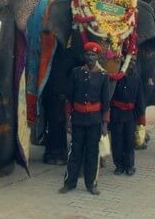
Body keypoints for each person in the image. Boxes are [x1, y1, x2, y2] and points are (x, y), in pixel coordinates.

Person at [59, 41, 110, 196]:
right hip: (78, 119)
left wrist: (104, 124)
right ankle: (69, 183)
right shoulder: (76, 73)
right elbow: (69, 98)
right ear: (84, 55)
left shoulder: (103, 76)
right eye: (88, 54)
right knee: (75, 151)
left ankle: (91, 184)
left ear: (97, 56)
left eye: (93, 54)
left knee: (92, 153)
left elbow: (106, 102)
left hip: (94, 121)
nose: (90, 57)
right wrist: (68, 120)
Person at [110, 56, 145, 176]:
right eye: (129, 61)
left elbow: (140, 98)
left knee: (129, 141)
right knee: (117, 141)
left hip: (131, 115)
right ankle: (119, 165)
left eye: (134, 61)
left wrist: (140, 116)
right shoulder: (116, 77)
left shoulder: (137, 78)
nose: (131, 63)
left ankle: (129, 165)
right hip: (116, 114)